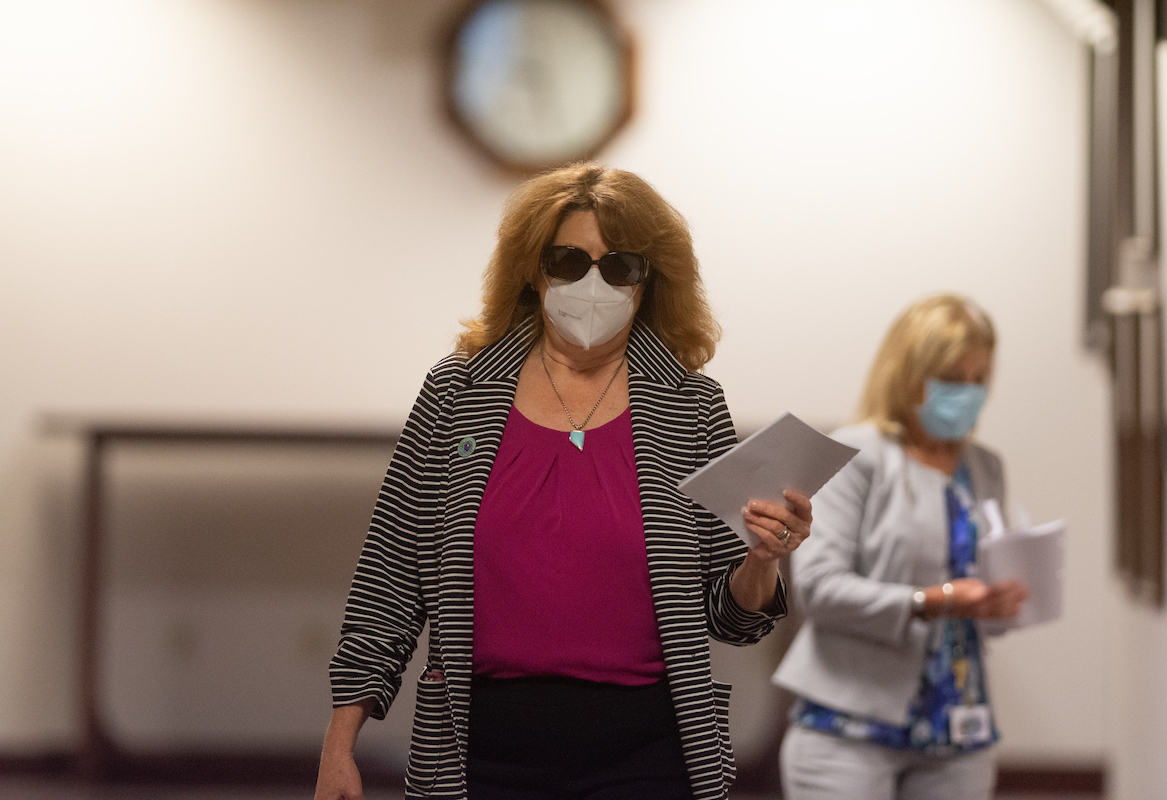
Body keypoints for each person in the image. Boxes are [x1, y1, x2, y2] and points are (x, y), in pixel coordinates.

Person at [314, 163, 811, 800]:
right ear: (532, 269)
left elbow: (732, 618)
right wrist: (339, 744)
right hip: (478, 747)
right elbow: (390, 575)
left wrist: (763, 560)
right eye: (569, 262)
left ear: (648, 280)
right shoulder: (458, 392)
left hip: (650, 753)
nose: (593, 284)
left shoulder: (690, 406)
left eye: (619, 266)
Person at [772, 294, 1029, 800]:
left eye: (980, 381)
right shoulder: (856, 454)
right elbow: (819, 589)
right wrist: (932, 601)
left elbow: (982, 584)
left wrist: (1004, 600)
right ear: (909, 374)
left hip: (958, 727)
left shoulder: (985, 467)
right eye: (954, 379)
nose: (970, 394)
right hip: (848, 729)